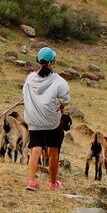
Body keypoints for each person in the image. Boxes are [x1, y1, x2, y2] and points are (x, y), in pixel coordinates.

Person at [23, 46, 70, 191]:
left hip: (34, 120)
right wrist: (61, 107)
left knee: (35, 148)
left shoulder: (30, 78)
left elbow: (24, 95)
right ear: (53, 62)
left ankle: (31, 182)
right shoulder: (59, 81)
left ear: (39, 61)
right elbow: (65, 100)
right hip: (52, 122)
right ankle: (53, 183)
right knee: (53, 151)